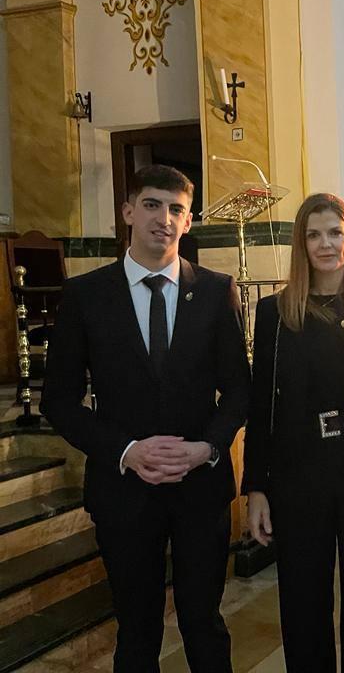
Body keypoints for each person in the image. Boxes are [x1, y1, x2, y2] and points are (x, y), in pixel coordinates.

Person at [41, 164, 250, 672]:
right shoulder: (87, 295)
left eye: (176, 208)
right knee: (137, 630)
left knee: (205, 622)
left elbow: (241, 390)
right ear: (128, 211)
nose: (164, 218)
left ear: (189, 221)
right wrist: (126, 451)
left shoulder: (217, 292)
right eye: (152, 204)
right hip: (124, 491)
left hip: (200, 487)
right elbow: (59, 401)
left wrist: (207, 447)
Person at [243, 194, 344, 673]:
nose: (325, 244)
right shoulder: (275, 313)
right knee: (302, 598)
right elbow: (261, 405)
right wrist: (256, 486)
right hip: (299, 475)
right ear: (300, 244)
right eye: (314, 234)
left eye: (335, 232)